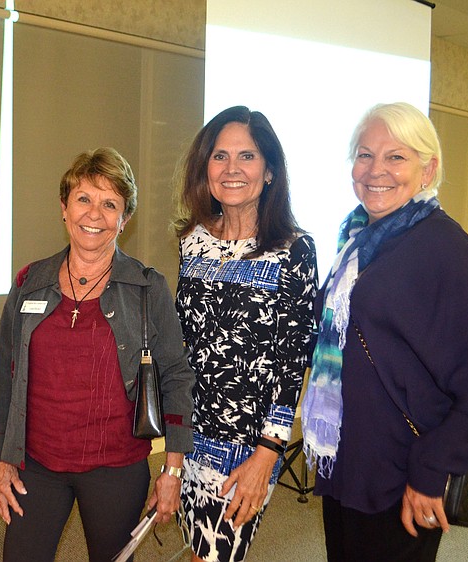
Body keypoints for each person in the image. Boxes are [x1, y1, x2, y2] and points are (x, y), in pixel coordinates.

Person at [301, 102, 468, 562]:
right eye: (364, 154)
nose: (376, 169)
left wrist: (433, 468)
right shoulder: (357, 239)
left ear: (428, 169)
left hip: (401, 473)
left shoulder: (443, 248)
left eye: (396, 156)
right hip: (349, 463)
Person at [0, 147, 195, 562]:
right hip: (38, 465)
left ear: (124, 219)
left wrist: (172, 471)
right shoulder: (30, 281)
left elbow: (175, 376)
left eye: (110, 204)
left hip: (115, 469)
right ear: (64, 208)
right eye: (84, 199)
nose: (94, 214)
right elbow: (3, 372)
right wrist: (2, 457)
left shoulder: (147, 288)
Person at [174, 106, 319, 561]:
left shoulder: (295, 250)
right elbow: (186, 342)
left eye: (248, 156)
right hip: (189, 435)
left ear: (270, 171)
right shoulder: (192, 240)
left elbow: (293, 362)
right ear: (205, 168)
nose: (232, 169)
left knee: (214, 555)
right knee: (194, 548)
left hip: (245, 444)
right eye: (220, 156)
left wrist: (268, 454)